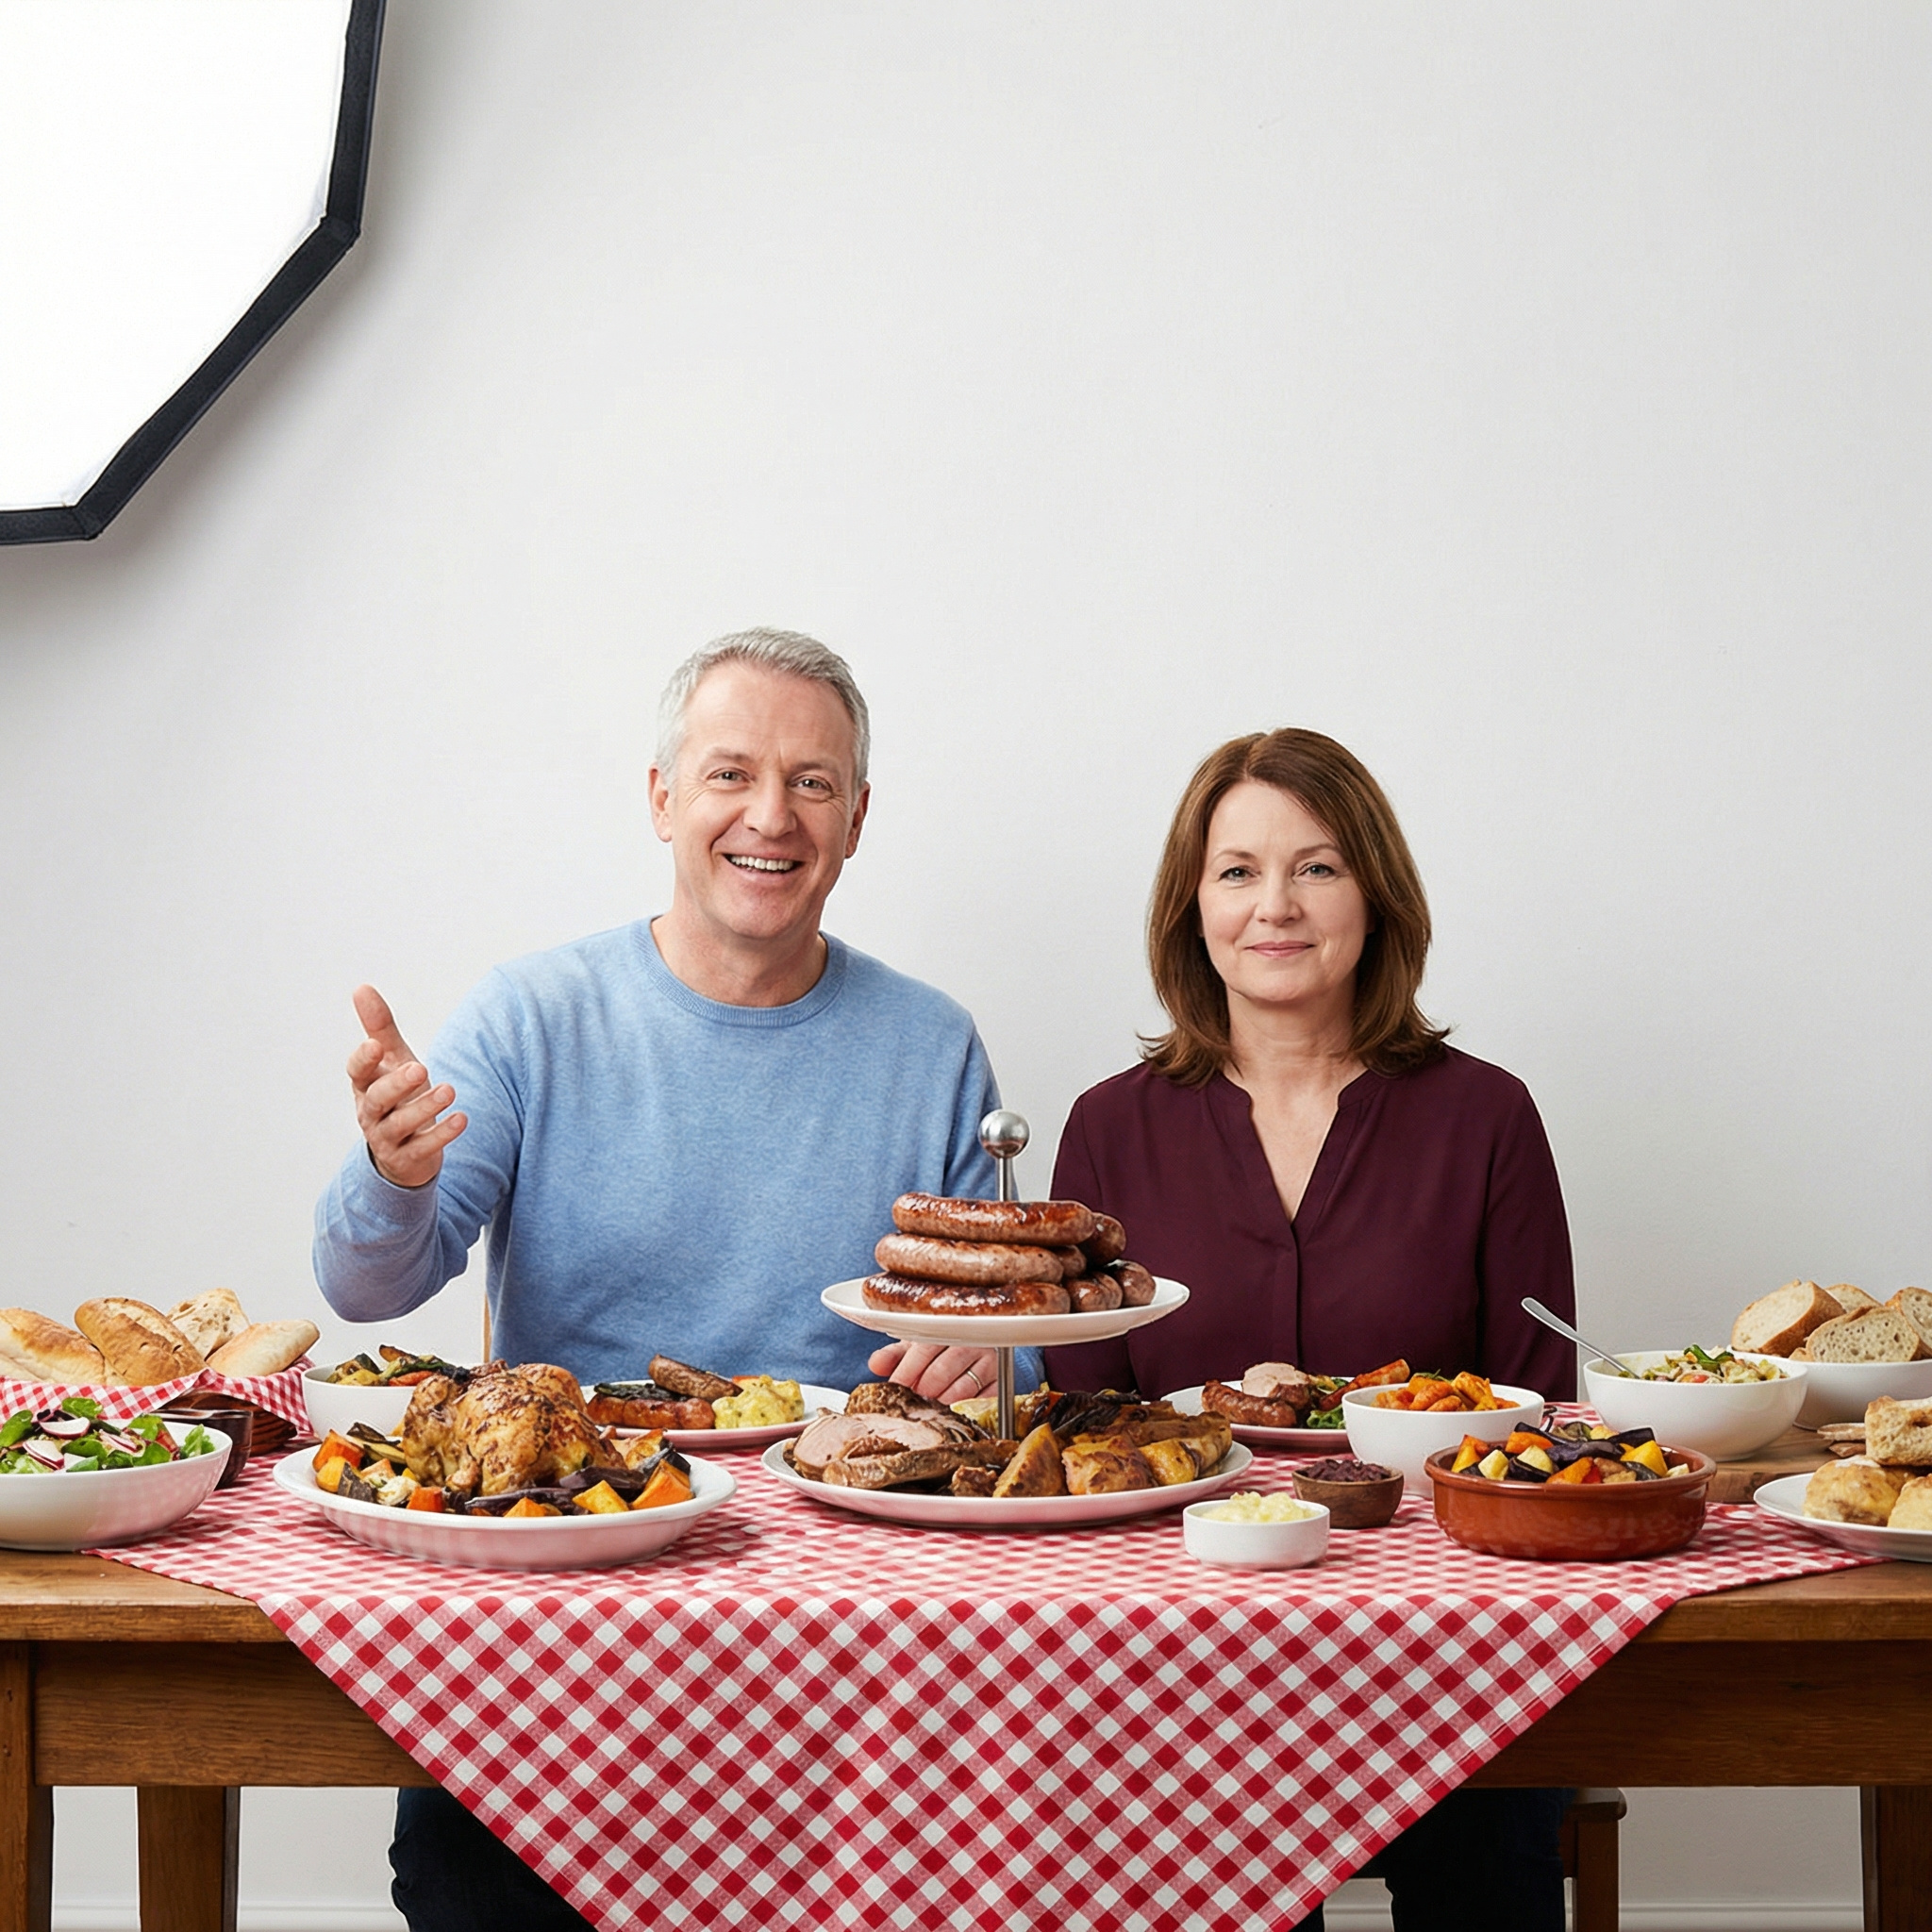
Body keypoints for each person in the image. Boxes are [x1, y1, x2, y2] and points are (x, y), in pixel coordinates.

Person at [314, 629, 1006, 1932]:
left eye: (814, 783)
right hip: (561, 1586)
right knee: (476, 1887)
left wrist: (988, 1364)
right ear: (661, 800)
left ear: (858, 820)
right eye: (731, 772)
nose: (771, 815)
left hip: (836, 1620)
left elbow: (983, 1345)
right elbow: (366, 1291)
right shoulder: (532, 1014)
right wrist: (393, 1176)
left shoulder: (932, 1044)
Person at [1043, 726, 1575, 1932]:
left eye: (1316, 866)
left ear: (1374, 894)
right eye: (1235, 870)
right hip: (1178, 1628)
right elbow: (1085, 1421)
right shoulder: (1105, 1130)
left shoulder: (1485, 1114)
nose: (1272, 905)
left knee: (1489, 1850)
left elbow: (1543, 1399)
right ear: (1192, 905)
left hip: (1443, 1635)